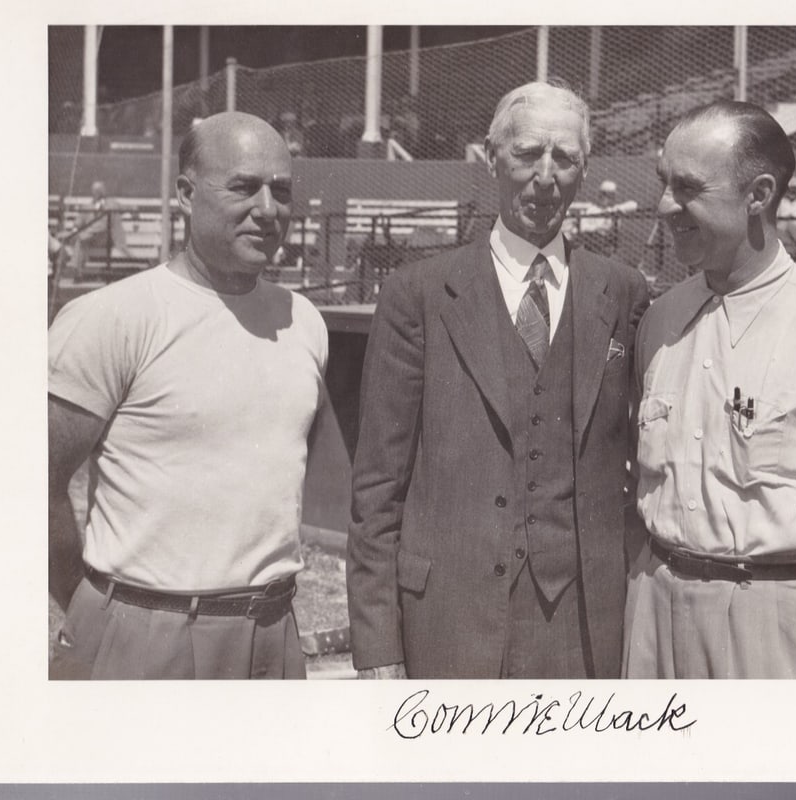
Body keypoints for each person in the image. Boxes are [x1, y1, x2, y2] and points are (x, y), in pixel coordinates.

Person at [347, 80, 650, 679]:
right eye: (528, 153)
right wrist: (378, 644)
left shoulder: (622, 293)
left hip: (585, 626)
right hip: (448, 619)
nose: (546, 176)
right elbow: (377, 488)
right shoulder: (420, 294)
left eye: (564, 158)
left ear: (584, 170)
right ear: (492, 158)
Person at [625, 101, 796, 680]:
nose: (664, 205)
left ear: (758, 195)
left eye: (688, 188)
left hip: (774, 624)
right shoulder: (660, 320)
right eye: (664, 183)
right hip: (652, 611)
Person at [48, 111, 329, 680]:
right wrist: (88, 602)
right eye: (243, 188)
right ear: (185, 193)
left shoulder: (304, 320)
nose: (268, 210)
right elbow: (34, 480)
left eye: (281, 191)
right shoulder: (113, 317)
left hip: (273, 634)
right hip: (143, 629)